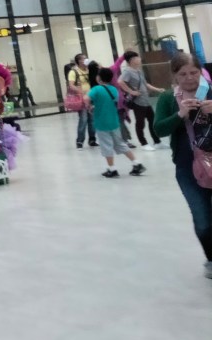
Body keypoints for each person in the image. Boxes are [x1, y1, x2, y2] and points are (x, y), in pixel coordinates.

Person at [154, 53, 212, 278]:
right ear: (175, 76)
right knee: (203, 219)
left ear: (201, 71)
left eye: (194, 72)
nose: (189, 78)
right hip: (188, 168)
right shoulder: (168, 98)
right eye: (183, 74)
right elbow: (159, 129)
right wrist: (180, 114)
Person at [88, 67, 145, 178]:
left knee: (106, 145)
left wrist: (89, 106)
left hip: (102, 123)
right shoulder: (114, 90)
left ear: (99, 78)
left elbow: (86, 98)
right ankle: (137, 163)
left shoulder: (96, 89)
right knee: (120, 144)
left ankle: (112, 169)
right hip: (114, 121)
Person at [117, 50, 164, 150]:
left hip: (145, 101)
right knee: (140, 123)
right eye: (137, 57)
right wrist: (131, 91)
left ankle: (157, 141)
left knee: (152, 121)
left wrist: (158, 89)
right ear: (132, 60)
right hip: (138, 102)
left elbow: (145, 84)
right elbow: (120, 82)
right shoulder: (127, 71)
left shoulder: (138, 71)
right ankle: (144, 143)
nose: (139, 59)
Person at [68, 54, 96, 149]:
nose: (85, 60)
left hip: (91, 98)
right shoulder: (74, 72)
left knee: (92, 120)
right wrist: (81, 92)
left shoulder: (89, 70)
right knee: (83, 119)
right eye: (83, 58)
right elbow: (71, 85)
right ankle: (80, 141)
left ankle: (92, 139)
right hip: (81, 99)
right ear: (79, 61)